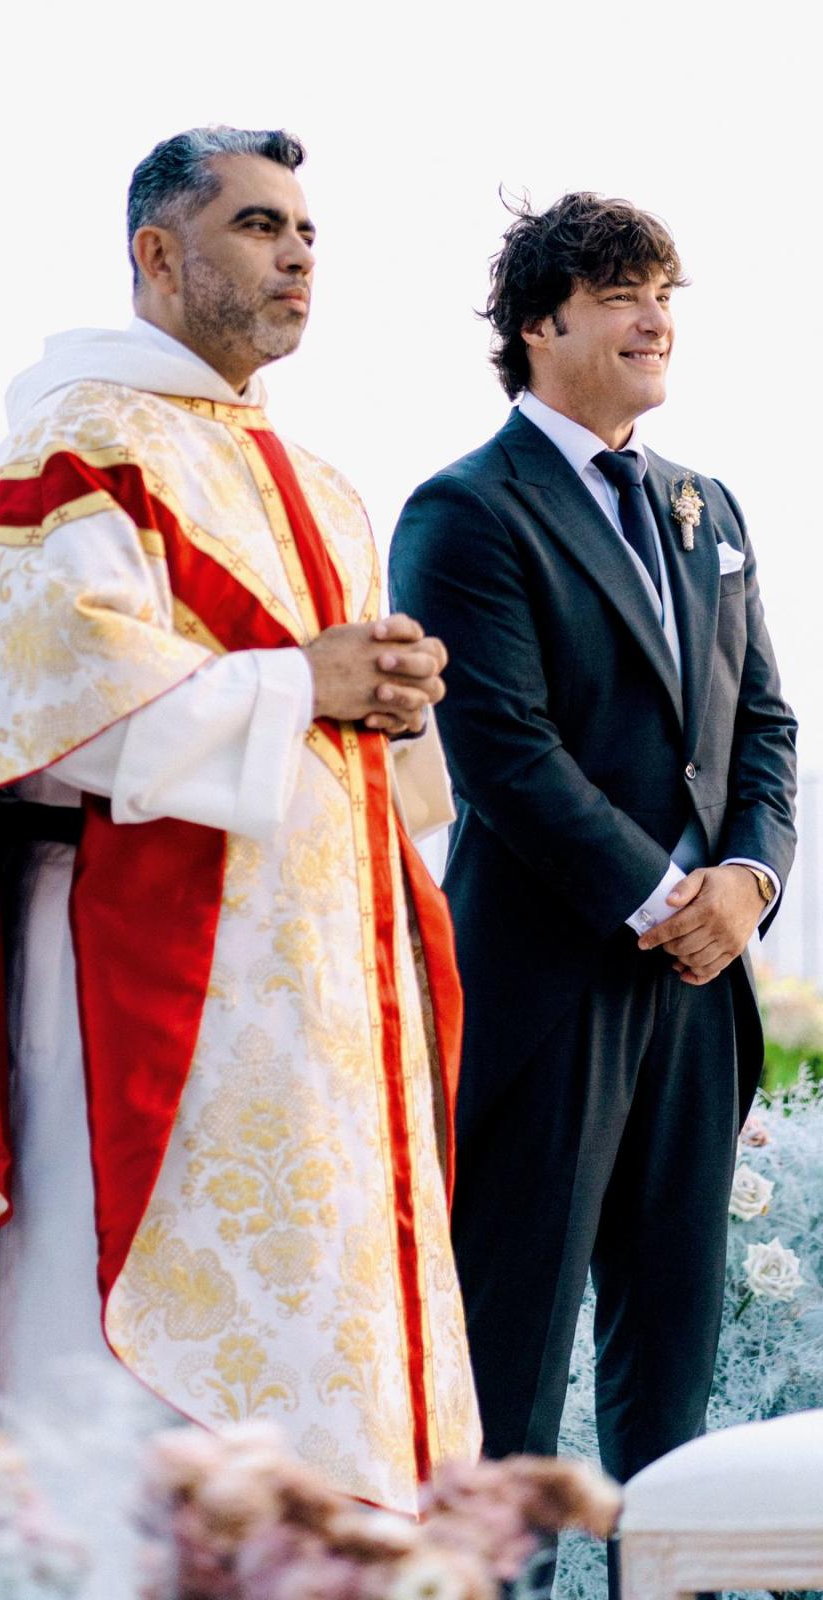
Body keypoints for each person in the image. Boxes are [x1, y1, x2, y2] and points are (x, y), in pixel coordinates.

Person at [0, 126, 480, 1513]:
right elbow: (17, 718)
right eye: (261, 226)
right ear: (158, 253)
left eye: (308, 232)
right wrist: (297, 680)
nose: (300, 254)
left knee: (323, 1383)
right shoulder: (77, 442)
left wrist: (388, 698)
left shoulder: (323, 482)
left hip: (319, 1029)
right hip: (139, 1012)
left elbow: (353, 757)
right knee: (137, 1433)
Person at [389, 192, 797, 1582]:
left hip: (699, 999)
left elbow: (767, 730)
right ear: (540, 323)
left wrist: (745, 883)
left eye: (666, 288)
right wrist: (661, 899)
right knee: (508, 1376)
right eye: (623, 291)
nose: (654, 315)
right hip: (543, 990)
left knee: (668, 1382)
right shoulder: (463, 509)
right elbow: (501, 749)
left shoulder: (709, 506)